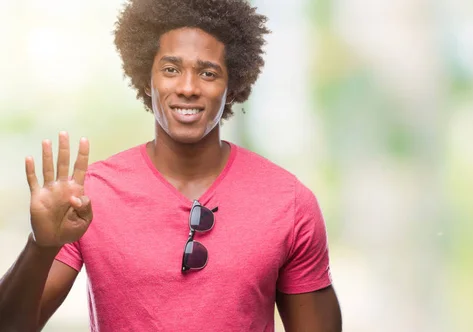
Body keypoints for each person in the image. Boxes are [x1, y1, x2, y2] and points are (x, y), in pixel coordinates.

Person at [0, 0, 342, 330]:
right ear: (147, 77)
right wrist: (40, 246)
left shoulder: (289, 202)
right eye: (171, 69)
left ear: (231, 84)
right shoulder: (88, 199)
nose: (188, 87)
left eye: (208, 73)